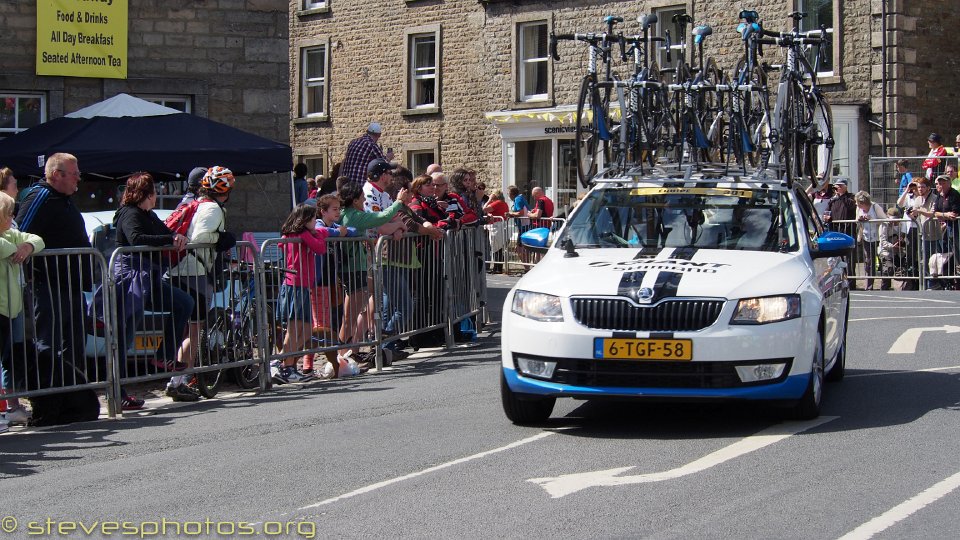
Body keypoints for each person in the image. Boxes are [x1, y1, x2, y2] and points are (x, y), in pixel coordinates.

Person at [111, 173, 194, 409]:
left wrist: (175, 237)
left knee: (183, 303)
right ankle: (118, 393)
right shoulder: (129, 213)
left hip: (149, 279)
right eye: (155, 192)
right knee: (124, 336)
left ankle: (164, 355)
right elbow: (136, 237)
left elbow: (165, 232)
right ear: (147, 194)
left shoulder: (149, 214)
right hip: (130, 280)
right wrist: (168, 239)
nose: (157, 197)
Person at [16, 153, 93, 395]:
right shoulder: (40, 196)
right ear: (57, 175)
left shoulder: (65, 199)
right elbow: (20, 233)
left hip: (72, 284)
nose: (78, 177)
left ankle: (74, 395)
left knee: (75, 343)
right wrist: (28, 248)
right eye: (74, 173)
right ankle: (48, 398)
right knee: (49, 343)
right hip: (48, 283)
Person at [165, 166, 237, 401]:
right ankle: (179, 380)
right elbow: (202, 238)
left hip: (180, 269)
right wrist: (222, 239)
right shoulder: (214, 209)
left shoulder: (196, 204)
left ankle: (178, 379)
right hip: (193, 271)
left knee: (189, 328)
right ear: (225, 191)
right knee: (195, 330)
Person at [338, 182, 411, 365]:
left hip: (356, 267)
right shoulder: (354, 215)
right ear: (354, 200)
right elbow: (380, 217)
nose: (365, 199)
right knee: (350, 316)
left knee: (355, 313)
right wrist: (399, 202)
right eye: (362, 198)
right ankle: (340, 356)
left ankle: (347, 353)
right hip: (354, 268)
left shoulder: (350, 214)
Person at [271, 205, 331, 384]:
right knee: (294, 329)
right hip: (295, 285)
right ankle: (287, 367)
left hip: (302, 286)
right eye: (313, 218)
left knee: (305, 331)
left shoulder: (292, 235)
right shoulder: (303, 235)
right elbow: (320, 248)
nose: (315, 221)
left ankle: (281, 360)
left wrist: (318, 232)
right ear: (304, 220)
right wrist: (319, 234)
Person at [0, 191, 44, 426]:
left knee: (10, 359)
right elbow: (5, 248)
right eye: (8, 213)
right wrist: (16, 247)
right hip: (2, 308)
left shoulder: (11, 234)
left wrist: (26, 246)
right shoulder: (7, 238)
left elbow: (38, 240)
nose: (13, 217)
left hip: (12, 309)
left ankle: (12, 406)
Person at [905, 176, 942, 288]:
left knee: (934, 261)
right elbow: (915, 215)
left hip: (934, 234)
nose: (920, 189)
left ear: (928, 188)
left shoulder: (935, 198)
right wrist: (910, 214)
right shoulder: (918, 199)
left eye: (922, 187)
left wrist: (919, 210)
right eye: (918, 187)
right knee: (924, 260)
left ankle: (936, 283)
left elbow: (932, 213)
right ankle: (927, 284)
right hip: (923, 235)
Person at [854, 191, 887, 290]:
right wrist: (860, 219)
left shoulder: (875, 207)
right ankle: (869, 285)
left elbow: (885, 219)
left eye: (858, 203)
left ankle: (885, 284)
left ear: (863, 202)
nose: (857, 205)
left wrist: (871, 219)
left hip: (878, 237)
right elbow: (856, 220)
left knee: (882, 260)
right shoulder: (858, 209)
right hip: (866, 237)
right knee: (868, 261)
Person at [342, 122, 391, 187]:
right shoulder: (372, 145)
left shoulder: (353, 142)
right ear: (379, 135)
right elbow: (383, 163)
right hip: (359, 184)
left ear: (367, 132)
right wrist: (388, 157)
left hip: (346, 184)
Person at [879, 207, 910, 290]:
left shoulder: (902, 224)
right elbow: (883, 241)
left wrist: (903, 242)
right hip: (887, 252)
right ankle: (884, 288)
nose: (894, 221)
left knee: (903, 269)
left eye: (896, 219)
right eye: (892, 219)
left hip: (900, 252)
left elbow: (906, 239)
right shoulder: (884, 225)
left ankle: (902, 288)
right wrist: (892, 246)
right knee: (888, 268)